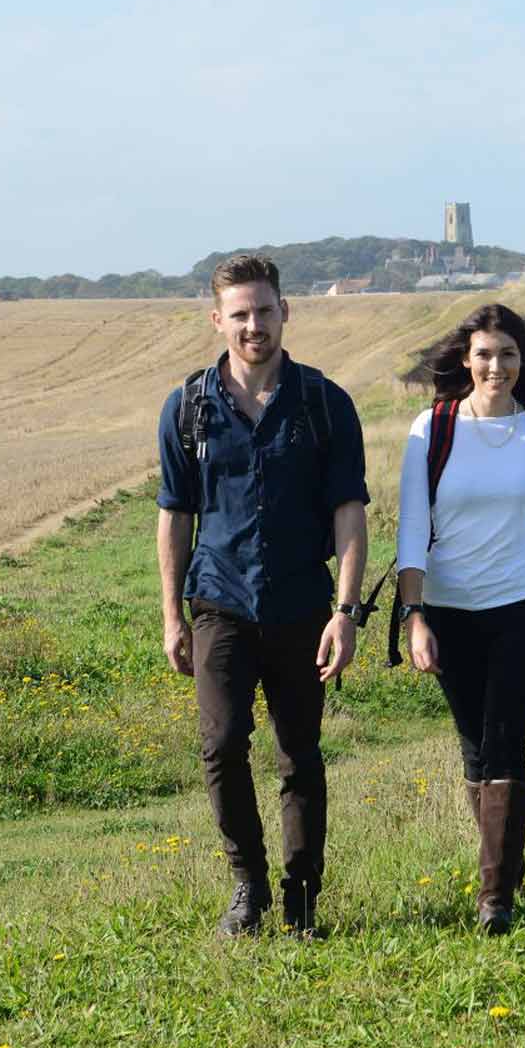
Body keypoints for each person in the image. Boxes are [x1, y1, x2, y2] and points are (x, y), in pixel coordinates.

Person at [157, 254, 370, 938]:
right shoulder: (187, 408)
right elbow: (175, 514)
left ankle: (303, 897)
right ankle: (247, 888)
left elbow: (349, 512)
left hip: (303, 604)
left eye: (265, 310)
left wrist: (345, 612)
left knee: (299, 754)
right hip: (219, 602)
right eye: (240, 314)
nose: (254, 325)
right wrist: (170, 616)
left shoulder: (323, 403)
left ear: (286, 312)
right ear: (218, 320)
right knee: (221, 745)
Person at [395, 303, 525, 934]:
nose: (496, 366)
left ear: (521, 360)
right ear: (464, 358)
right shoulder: (433, 429)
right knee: (476, 747)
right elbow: (410, 530)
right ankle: (504, 867)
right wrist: (414, 616)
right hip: (451, 613)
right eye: (484, 354)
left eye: (508, 354)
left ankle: (494, 900)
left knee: (506, 736)